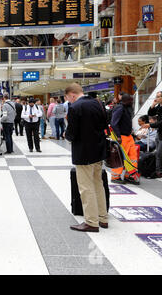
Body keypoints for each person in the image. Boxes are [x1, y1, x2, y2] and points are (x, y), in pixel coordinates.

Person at [65, 83, 108, 233]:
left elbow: (72, 133)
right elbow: (104, 124)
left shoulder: (75, 108)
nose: (69, 101)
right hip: (98, 150)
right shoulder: (98, 103)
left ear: (72, 95)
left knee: (85, 187)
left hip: (84, 153)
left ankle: (91, 222)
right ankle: (103, 218)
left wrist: (67, 135)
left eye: (68, 99)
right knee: (98, 184)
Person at [110, 94, 140, 185]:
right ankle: (115, 176)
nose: (132, 102)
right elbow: (114, 123)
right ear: (125, 100)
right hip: (122, 137)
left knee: (133, 156)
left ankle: (130, 175)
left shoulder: (127, 109)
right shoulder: (120, 108)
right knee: (119, 157)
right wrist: (118, 136)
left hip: (128, 136)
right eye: (130, 100)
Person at [141, 91, 162, 177]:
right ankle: (158, 170)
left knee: (160, 153)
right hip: (160, 133)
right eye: (156, 96)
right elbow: (150, 113)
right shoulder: (160, 106)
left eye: (158, 97)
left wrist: (150, 125)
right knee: (158, 153)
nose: (156, 98)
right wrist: (153, 105)